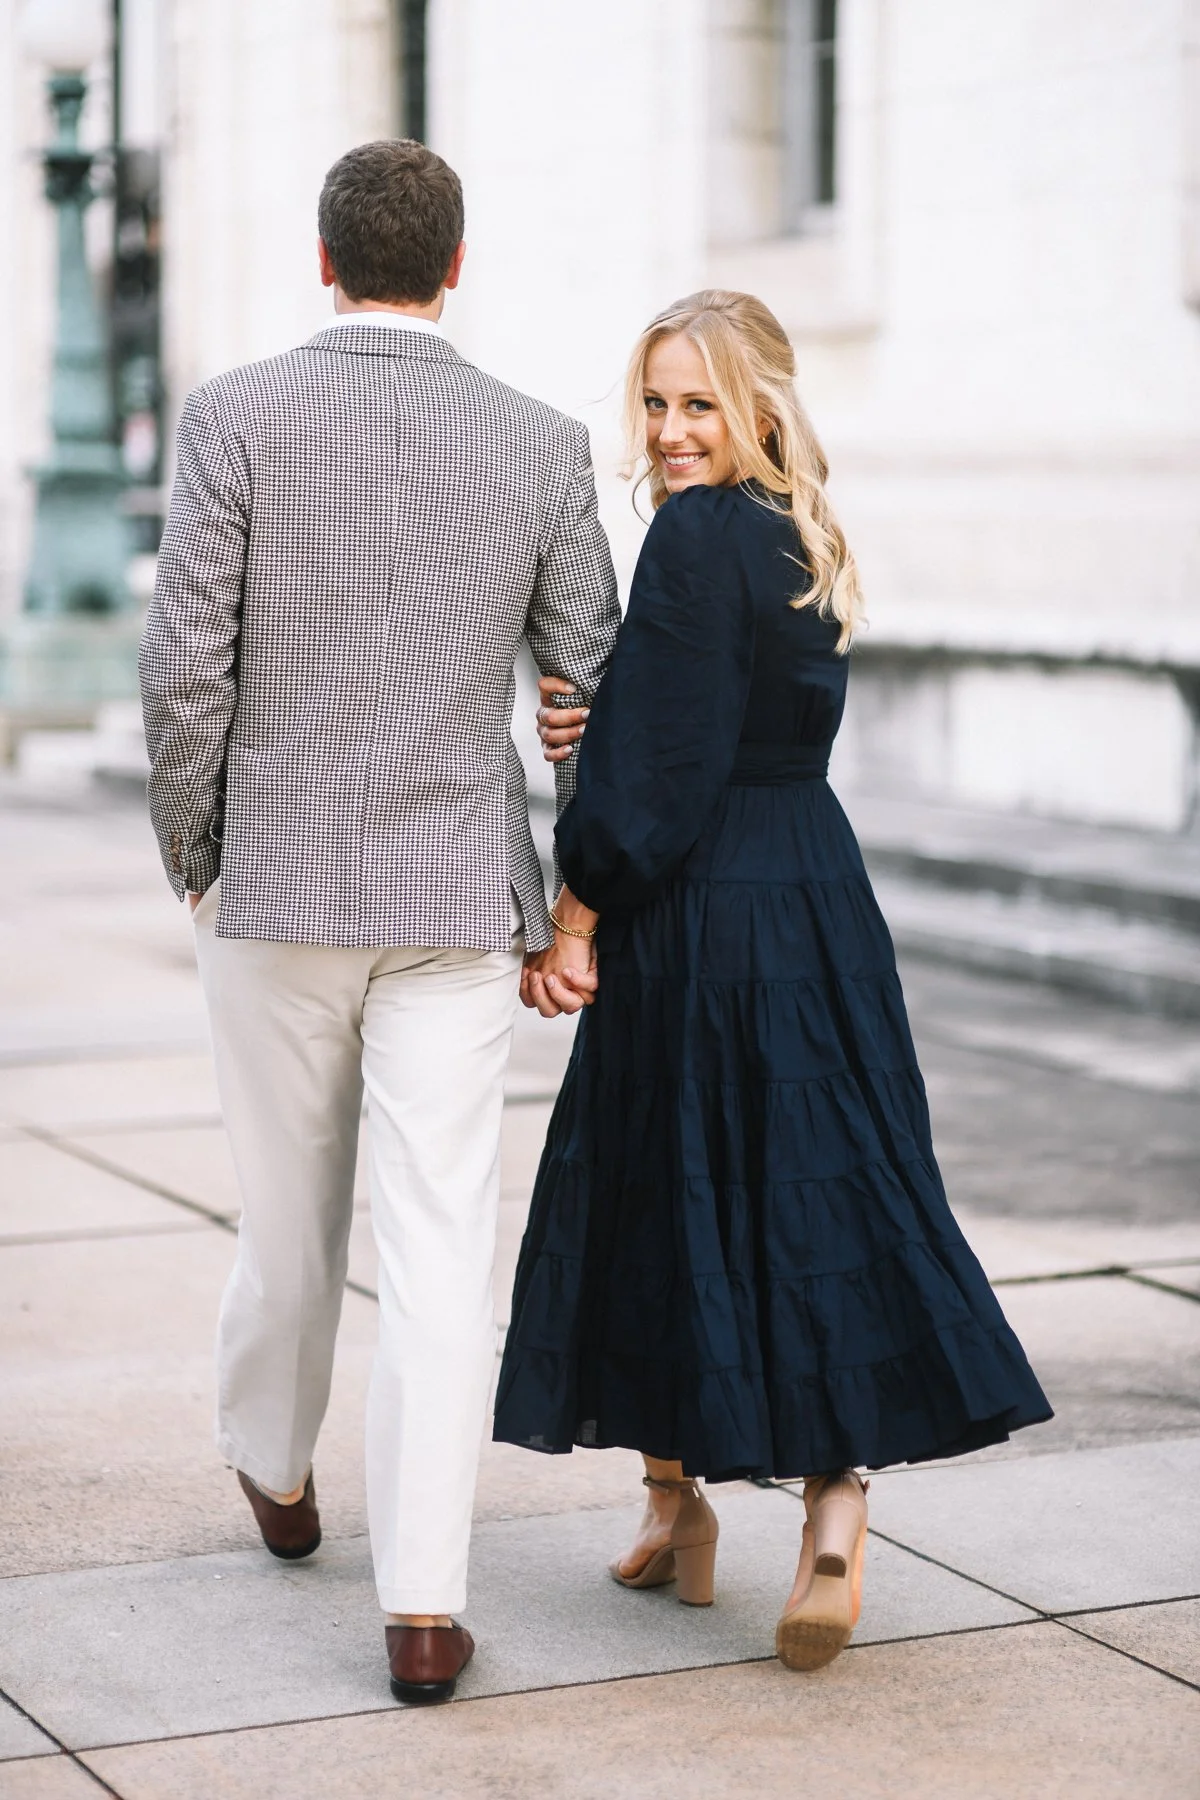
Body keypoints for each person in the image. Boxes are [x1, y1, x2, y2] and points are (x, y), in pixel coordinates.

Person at [493, 289, 1052, 1673]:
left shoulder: (690, 533)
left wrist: (576, 912)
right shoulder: (802, 528)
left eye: (699, 403)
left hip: (704, 909)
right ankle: (825, 1514)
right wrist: (606, 720)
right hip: (814, 890)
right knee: (813, 1186)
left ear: (759, 404)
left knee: (668, 1188)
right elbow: (717, 713)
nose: (670, 431)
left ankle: (683, 1504)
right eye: (655, 403)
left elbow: (667, 775)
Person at [139, 138, 621, 1704]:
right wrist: (574, 883)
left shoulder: (235, 416)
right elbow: (592, 681)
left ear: (325, 259)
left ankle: (276, 1466)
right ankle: (423, 1608)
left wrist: (194, 852)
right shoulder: (539, 442)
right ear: (455, 268)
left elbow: (187, 667)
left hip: (272, 888)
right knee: (438, 1244)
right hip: (454, 898)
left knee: (287, 1219)